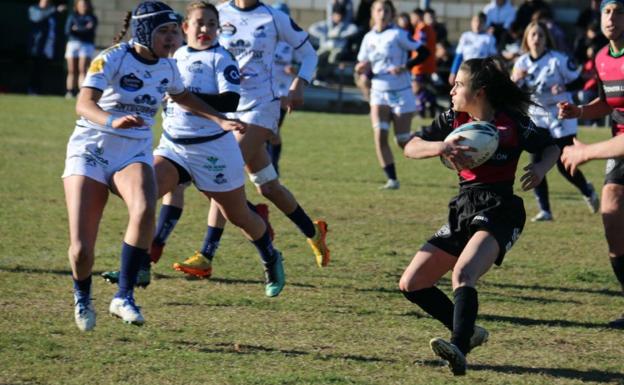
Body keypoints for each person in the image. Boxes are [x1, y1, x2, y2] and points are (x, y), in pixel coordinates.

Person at [64, 0, 245, 331]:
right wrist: (111, 120)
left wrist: (221, 121)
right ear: (145, 32)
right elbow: (83, 103)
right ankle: (82, 294)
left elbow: (184, 97)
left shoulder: (169, 66)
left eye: (175, 31)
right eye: (164, 31)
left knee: (145, 208)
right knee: (80, 250)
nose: (173, 38)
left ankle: (123, 296)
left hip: (132, 152)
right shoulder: (112, 58)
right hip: (91, 150)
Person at [399, 57, 560, 376]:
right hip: (464, 208)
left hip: (501, 209)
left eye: (459, 84)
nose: (452, 88)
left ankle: (458, 346)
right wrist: (441, 146)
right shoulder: (454, 119)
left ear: (480, 92)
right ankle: (469, 331)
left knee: (464, 272)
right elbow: (411, 146)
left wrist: (541, 167)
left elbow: (550, 146)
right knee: (412, 283)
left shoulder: (512, 122)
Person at [170, 0, 330, 278]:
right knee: (268, 186)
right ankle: (313, 231)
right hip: (227, 110)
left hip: (261, 108)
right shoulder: (217, 13)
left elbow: (309, 54)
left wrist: (298, 84)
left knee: (223, 171)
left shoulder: (274, 17)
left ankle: (206, 255)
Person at [559, 0, 624, 329]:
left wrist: (586, 153)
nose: (612, 18)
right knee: (612, 219)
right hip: (618, 145)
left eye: (619, 12)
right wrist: (580, 112)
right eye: (607, 12)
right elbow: (607, 101)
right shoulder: (601, 57)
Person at [512, 21, 599, 222]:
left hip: (561, 113)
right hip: (537, 115)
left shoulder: (557, 60)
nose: (536, 39)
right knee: (537, 163)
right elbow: (514, 94)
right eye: (533, 34)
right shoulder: (521, 63)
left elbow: (580, 80)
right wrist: (515, 81)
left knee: (564, 163)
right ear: (526, 38)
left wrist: (564, 88)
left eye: (540, 35)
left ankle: (587, 190)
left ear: (546, 39)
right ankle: (545, 210)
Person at [355, 0, 429, 190]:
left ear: (391, 14)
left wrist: (405, 66)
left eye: (386, 10)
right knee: (380, 135)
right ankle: (392, 180)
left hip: (401, 91)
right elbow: (363, 65)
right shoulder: (368, 38)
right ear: (373, 13)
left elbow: (423, 52)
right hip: (378, 91)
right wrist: (361, 69)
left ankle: (429, 138)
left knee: (403, 141)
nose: (382, 13)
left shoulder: (398, 34)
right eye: (379, 10)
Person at [308, 3, 359, 82]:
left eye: (340, 15)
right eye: (337, 15)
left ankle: (324, 77)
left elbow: (354, 29)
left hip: (338, 49)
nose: (338, 17)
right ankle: (315, 76)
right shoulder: (326, 24)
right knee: (317, 57)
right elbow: (312, 28)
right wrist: (324, 35)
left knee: (332, 59)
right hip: (325, 47)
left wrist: (339, 35)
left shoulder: (346, 25)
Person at [28, 0, 66, 95]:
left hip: (48, 46)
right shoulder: (34, 9)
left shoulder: (51, 13)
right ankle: (32, 89)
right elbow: (37, 18)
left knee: (43, 68)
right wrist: (54, 10)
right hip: (37, 46)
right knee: (35, 68)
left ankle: (39, 90)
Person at [448, 12, 497, 87]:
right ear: (471, 22)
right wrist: (453, 72)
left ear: (484, 23)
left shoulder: (489, 38)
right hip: (466, 70)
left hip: (480, 72)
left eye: (480, 22)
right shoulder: (465, 36)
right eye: (475, 21)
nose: (477, 24)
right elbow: (459, 55)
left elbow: (493, 58)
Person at [64, 0, 98, 98]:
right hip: (73, 43)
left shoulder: (92, 17)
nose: (83, 7)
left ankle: (81, 92)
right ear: (77, 6)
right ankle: (70, 91)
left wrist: (77, 29)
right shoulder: (72, 16)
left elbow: (90, 30)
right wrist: (83, 28)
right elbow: (68, 31)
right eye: (81, 5)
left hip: (86, 44)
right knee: (71, 70)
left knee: (82, 69)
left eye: (85, 5)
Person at [410, 8, 437, 118]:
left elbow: (421, 46)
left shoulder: (422, 29)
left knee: (417, 88)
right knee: (423, 88)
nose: (411, 20)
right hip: (427, 64)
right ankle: (432, 105)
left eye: (412, 17)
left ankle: (422, 110)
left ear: (418, 17)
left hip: (420, 65)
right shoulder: (428, 28)